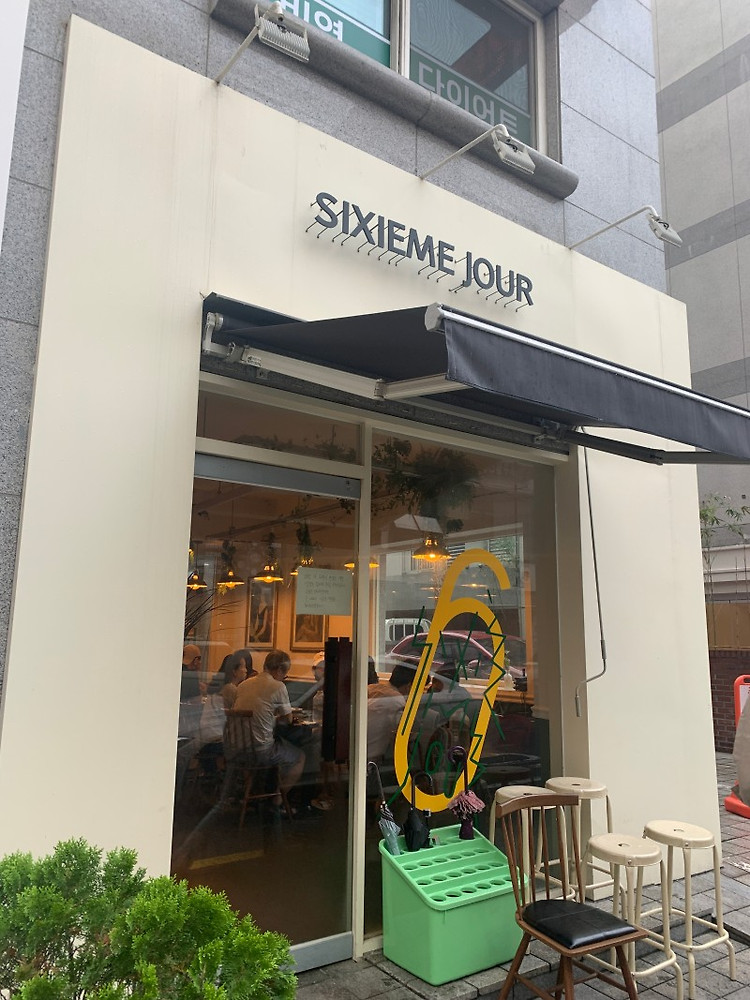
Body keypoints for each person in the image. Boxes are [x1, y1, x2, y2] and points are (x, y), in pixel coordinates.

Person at [232, 648, 305, 802]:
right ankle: (277, 800)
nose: (284, 678)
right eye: (285, 674)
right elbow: (288, 720)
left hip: (237, 749)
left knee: (275, 747)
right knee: (299, 757)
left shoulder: (243, 685)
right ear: (279, 670)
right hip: (260, 751)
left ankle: (255, 794)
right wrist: (277, 718)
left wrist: (270, 718)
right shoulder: (278, 686)